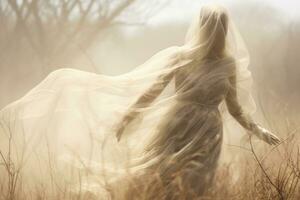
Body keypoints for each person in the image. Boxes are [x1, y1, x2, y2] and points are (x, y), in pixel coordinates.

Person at [0, 3, 280, 200]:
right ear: (203, 27)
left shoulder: (228, 64)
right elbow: (152, 91)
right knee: (161, 176)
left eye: (221, 26)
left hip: (209, 135)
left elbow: (234, 107)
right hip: (176, 126)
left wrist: (258, 130)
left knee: (197, 186)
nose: (216, 30)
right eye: (212, 25)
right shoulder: (181, 57)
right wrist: (128, 117)